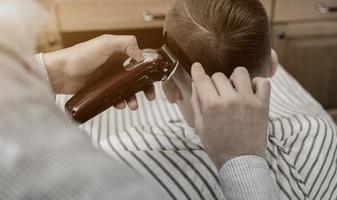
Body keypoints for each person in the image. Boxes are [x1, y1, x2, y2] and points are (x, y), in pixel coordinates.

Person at [0, 1, 276, 200]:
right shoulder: (318, 131)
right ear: (273, 65)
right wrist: (244, 166)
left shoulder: (113, 161)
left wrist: (50, 72)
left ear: (169, 89)